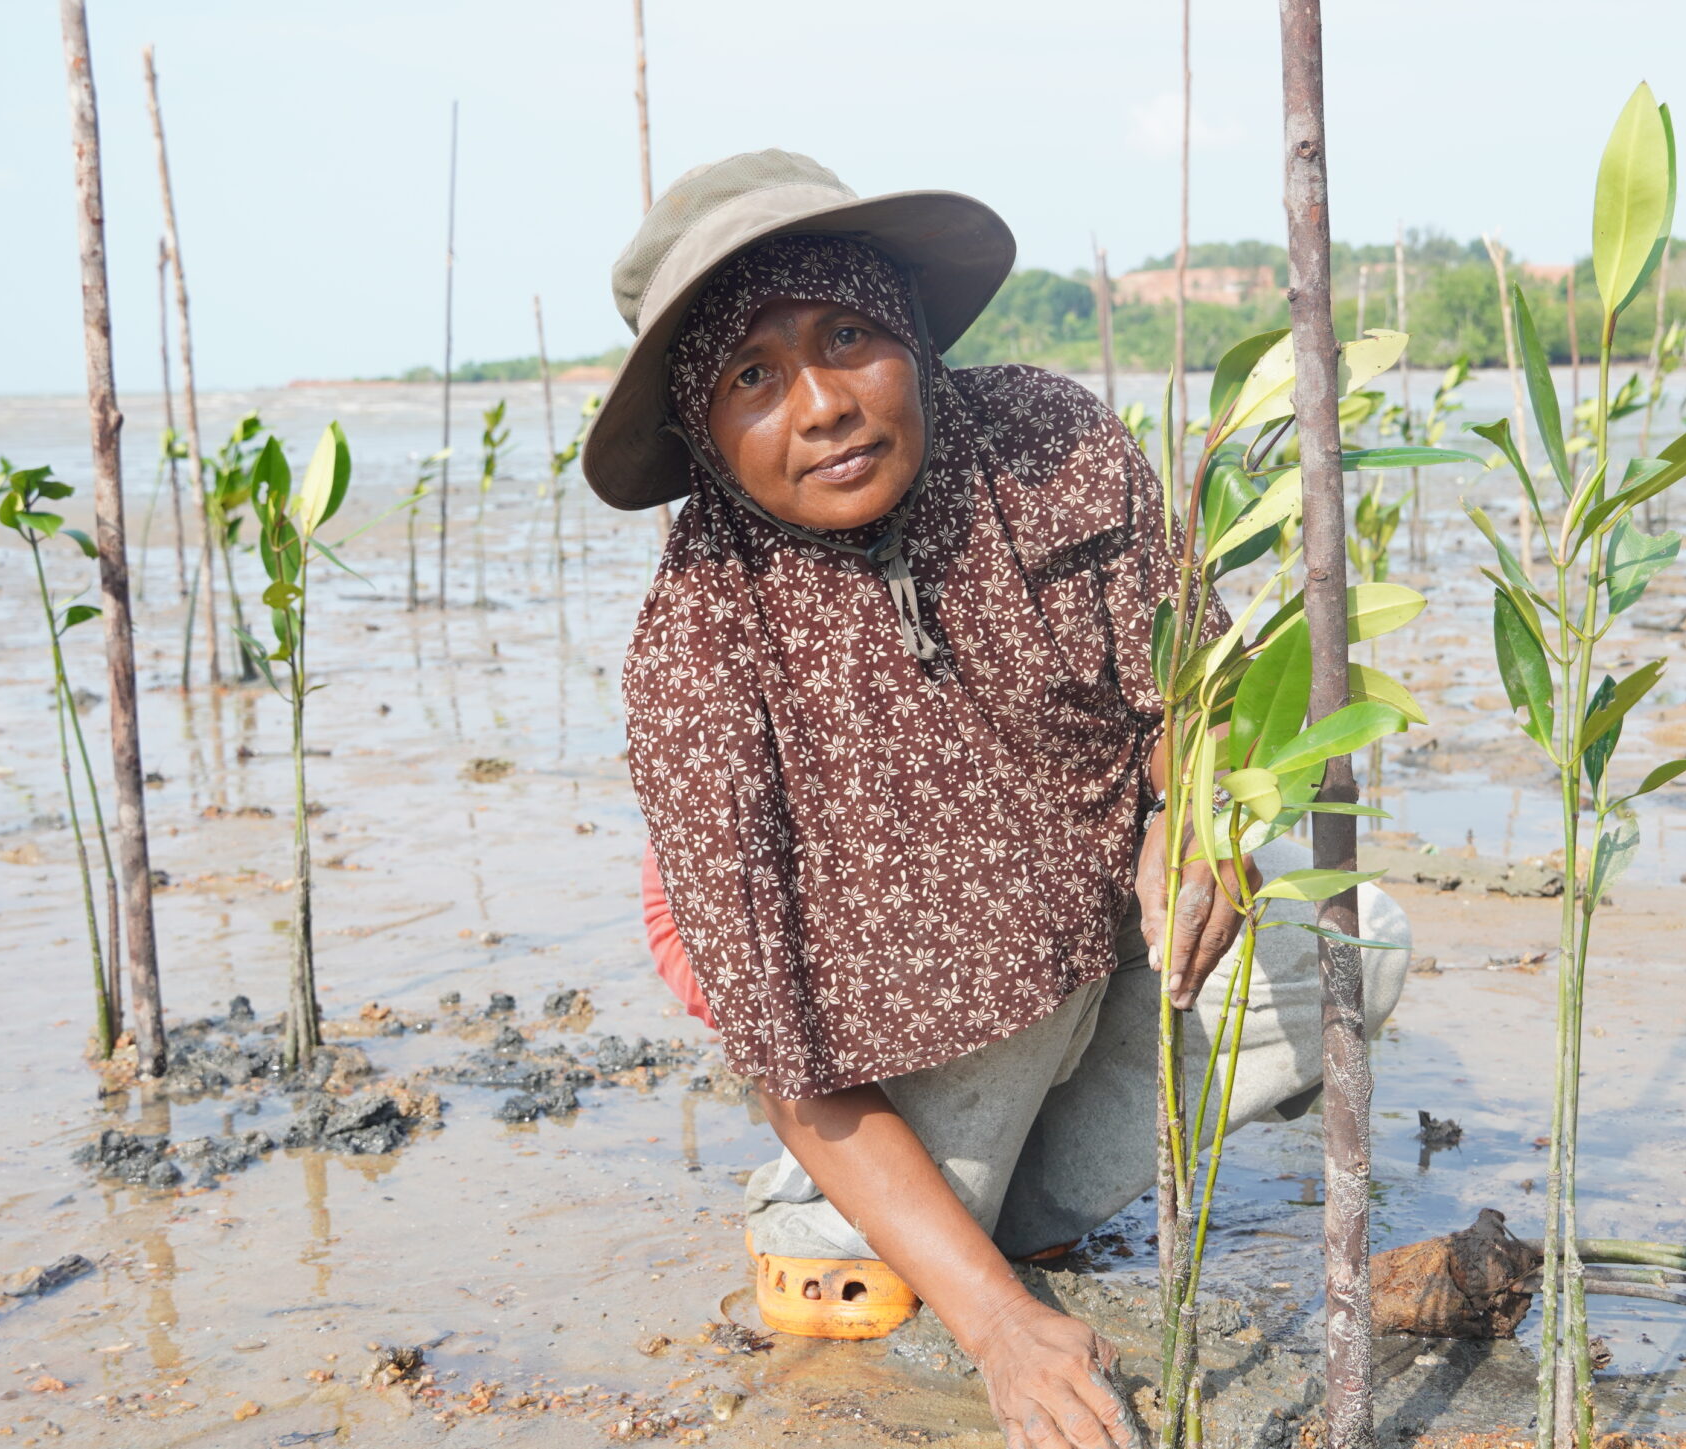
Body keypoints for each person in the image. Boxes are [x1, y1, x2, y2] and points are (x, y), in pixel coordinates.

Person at [583, 150, 1409, 1449]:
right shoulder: (693, 651)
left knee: (1349, 934)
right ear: (704, 427)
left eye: (846, 336)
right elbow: (786, 1055)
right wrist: (997, 1326)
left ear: (908, 330)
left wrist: (1193, 825)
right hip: (888, 1023)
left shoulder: (1050, 447)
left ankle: (1019, 1210)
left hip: (1082, 931)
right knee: (910, 1264)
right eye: (753, 375)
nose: (820, 405)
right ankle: (838, 1212)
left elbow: (1184, 689)